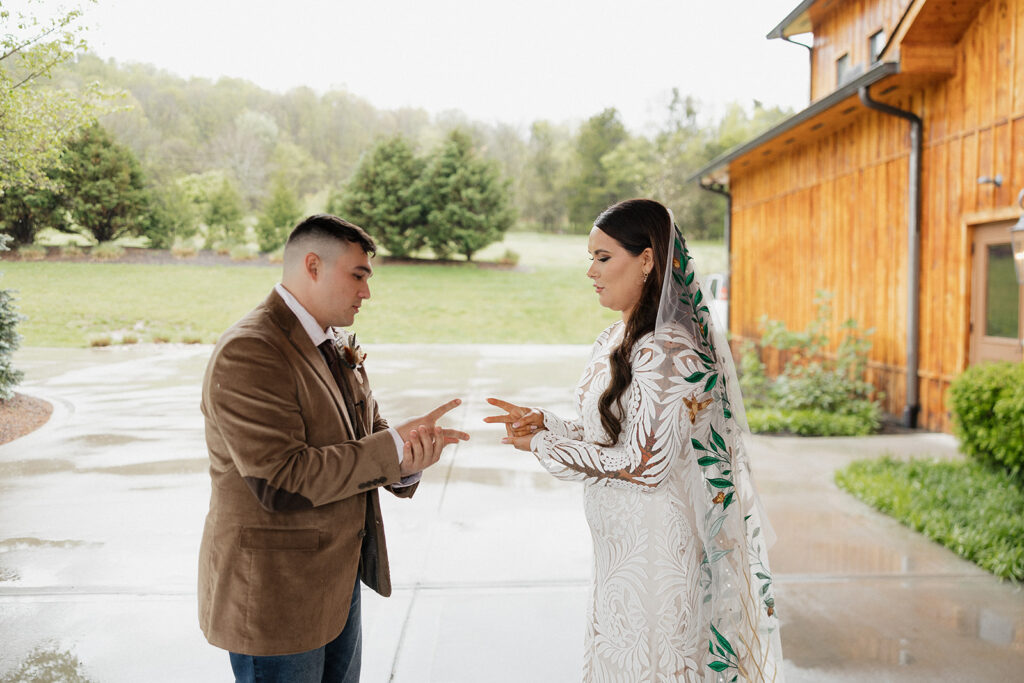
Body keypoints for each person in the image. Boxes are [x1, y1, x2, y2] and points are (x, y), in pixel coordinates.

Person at [485, 199, 783, 682]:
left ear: (646, 260)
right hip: (619, 552)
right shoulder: (613, 339)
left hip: (656, 554)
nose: (590, 271)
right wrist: (546, 424)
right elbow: (609, 437)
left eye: (603, 258)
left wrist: (543, 445)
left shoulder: (667, 349)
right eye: (590, 258)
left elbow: (645, 464)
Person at [198, 214, 469, 683]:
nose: (367, 292)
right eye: (358, 275)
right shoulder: (251, 350)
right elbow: (281, 481)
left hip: (337, 582)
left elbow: (370, 431)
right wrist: (391, 448)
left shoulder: (332, 340)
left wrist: (409, 457)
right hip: (275, 595)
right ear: (312, 266)